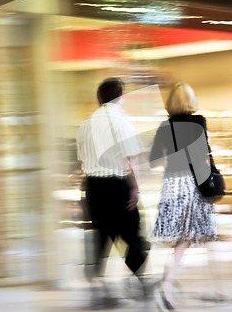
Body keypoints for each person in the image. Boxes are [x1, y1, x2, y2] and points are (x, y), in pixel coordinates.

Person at [76, 77, 152, 308]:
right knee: (131, 232)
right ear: (120, 97)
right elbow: (130, 158)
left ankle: (98, 283)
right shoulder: (122, 120)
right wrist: (135, 187)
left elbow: (83, 160)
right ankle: (141, 279)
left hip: (92, 187)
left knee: (101, 232)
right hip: (116, 184)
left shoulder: (86, 124)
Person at [149, 82, 220, 310]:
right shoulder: (199, 122)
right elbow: (204, 154)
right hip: (194, 183)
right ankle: (213, 289)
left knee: (187, 239)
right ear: (191, 100)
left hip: (172, 185)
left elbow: (154, 161)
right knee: (204, 236)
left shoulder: (164, 126)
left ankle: (171, 286)